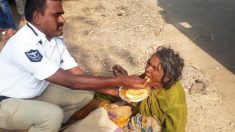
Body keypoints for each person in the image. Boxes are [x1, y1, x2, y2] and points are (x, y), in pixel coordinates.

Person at [0, 0, 145, 132]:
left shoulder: (55, 40)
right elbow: (72, 82)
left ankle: (45, 126)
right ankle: (43, 123)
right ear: (37, 17)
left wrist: (120, 92)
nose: (63, 20)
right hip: (6, 102)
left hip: (35, 95)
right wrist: (120, 81)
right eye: (56, 15)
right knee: (52, 115)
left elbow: (77, 74)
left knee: (84, 93)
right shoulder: (24, 44)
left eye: (62, 14)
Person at [111, 46, 187, 132]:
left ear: (167, 78)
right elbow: (134, 93)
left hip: (156, 123)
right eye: (148, 63)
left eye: (154, 68)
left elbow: (176, 129)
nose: (147, 69)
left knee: (140, 123)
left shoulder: (174, 103)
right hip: (140, 111)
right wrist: (125, 78)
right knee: (111, 110)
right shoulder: (150, 77)